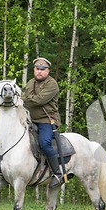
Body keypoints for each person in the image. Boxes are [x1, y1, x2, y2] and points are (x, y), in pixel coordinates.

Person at [22, 57, 63, 188]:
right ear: (34, 70)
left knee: (44, 144)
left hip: (46, 120)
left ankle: (58, 173)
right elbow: (27, 98)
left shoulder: (52, 84)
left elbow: (39, 100)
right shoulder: (30, 82)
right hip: (29, 119)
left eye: (43, 69)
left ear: (48, 71)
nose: (39, 71)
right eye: (37, 69)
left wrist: (25, 99)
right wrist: (27, 99)